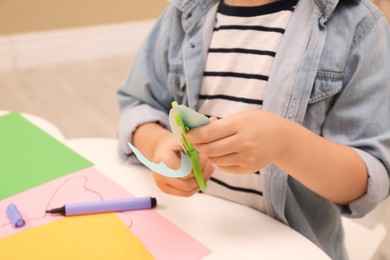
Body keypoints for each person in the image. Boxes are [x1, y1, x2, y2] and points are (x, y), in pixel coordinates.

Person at [116, 0, 390, 259]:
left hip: (290, 249)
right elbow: (139, 103)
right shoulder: (182, 14)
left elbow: (367, 180)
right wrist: (159, 145)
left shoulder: (358, 25)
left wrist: (286, 144)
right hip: (194, 234)